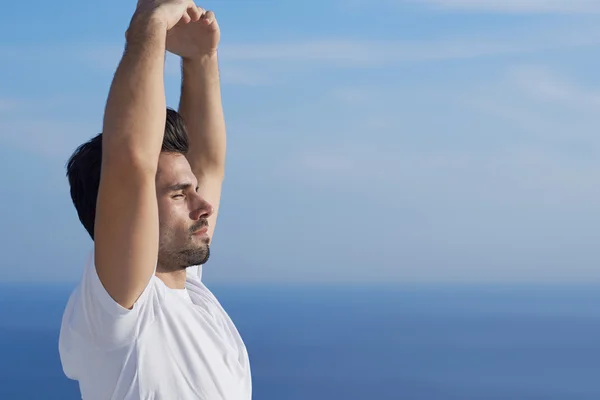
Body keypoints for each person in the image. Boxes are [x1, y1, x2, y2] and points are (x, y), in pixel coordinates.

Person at [58, 1, 252, 399]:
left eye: (192, 189)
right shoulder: (120, 310)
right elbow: (131, 162)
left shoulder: (191, 296)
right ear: (127, 211)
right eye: (179, 194)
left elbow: (209, 164)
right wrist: (149, 23)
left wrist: (200, 58)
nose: (204, 206)